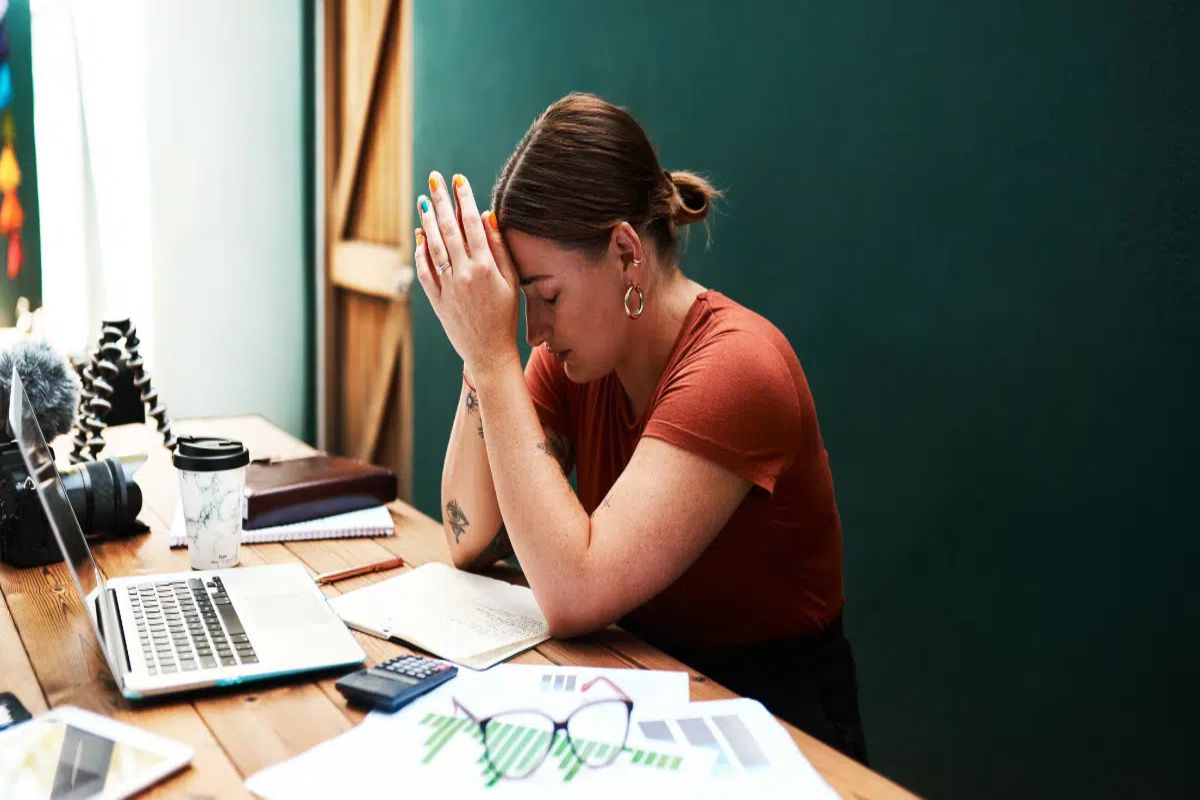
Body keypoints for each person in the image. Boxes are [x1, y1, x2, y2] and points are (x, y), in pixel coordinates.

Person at [413, 92, 867, 763]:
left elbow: (574, 592)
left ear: (627, 254)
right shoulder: (577, 361)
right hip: (641, 688)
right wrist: (479, 355)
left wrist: (489, 353)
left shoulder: (739, 368)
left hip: (774, 733)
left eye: (546, 295)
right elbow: (467, 535)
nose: (533, 330)